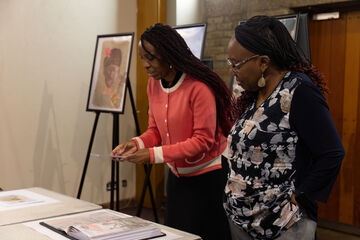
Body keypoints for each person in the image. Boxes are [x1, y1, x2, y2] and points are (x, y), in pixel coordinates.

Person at [224, 16, 345, 240]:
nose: (232, 70)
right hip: (242, 218)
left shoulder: (299, 91)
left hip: (284, 223)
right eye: (229, 63)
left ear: (263, 62)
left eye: (237, 64)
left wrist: (302, 194)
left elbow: (332, 153)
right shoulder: (253, 94)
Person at [111, 23, 235, 240]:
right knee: (176, 235)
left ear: (168, 55)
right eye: (142, 58)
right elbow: (155, 131)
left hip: (208, 177)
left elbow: (203, 141)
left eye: (150, 58)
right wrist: (137, 143)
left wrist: (152, 155)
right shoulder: (153, 84)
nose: (145, 65)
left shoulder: (198, 87)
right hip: (178, 177)